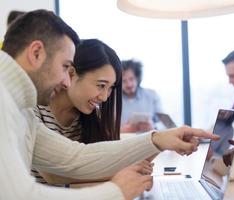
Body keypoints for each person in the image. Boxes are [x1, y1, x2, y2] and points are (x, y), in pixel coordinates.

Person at [0, 9, 219, 200]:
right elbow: (20, 196)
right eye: (65, 66)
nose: (66, 80)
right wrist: (116, 192)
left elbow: (74, 157)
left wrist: (158, 139)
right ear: (36, 53)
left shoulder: (22, 110)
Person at [32, 39, 153, 185]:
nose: (104, 97)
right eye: (101, 85)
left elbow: (105, 155)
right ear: (71, 74)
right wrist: (121, 171)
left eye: (110, 88)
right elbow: (53, 175)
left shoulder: (92, 115)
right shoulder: (34, 110)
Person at [121, 59, 163, 132]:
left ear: (137, 78)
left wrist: (153, 126)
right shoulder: (113, 100)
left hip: (149, 140)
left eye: (131, 79)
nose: (129, 84)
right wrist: (120, 130)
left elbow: (166, 124)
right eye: (124, 81)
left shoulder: (152, 95)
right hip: (123, 140)